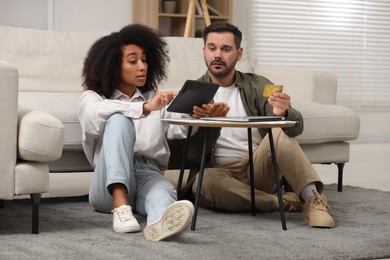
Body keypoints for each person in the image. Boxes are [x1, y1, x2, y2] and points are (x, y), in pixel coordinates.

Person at [78, 24, 229, 241]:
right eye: (133, 61)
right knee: (120, 120)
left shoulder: (155, 99)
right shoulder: (93, 99)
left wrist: (200, 117)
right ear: (113, 66)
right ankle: (120, 207)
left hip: (149, 172)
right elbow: (95, 114)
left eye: (145, 60)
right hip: (106, 186)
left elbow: (180, 128)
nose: (142, 66)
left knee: (164, 193)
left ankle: (159, 225)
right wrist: (144, 108)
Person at [192, 21, 335, 228]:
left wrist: (283, 113)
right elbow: (192, 155)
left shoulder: (258, 84)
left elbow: (296, 127)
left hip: (258, 167)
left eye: (226, 49)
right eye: (212, 48)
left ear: (239, 53)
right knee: (203, 182)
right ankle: (283, 203)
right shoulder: (194, 92)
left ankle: (313, 200)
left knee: (280, 130)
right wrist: (199, 123)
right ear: (204, 51)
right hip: (221, 172)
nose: (217, 55)